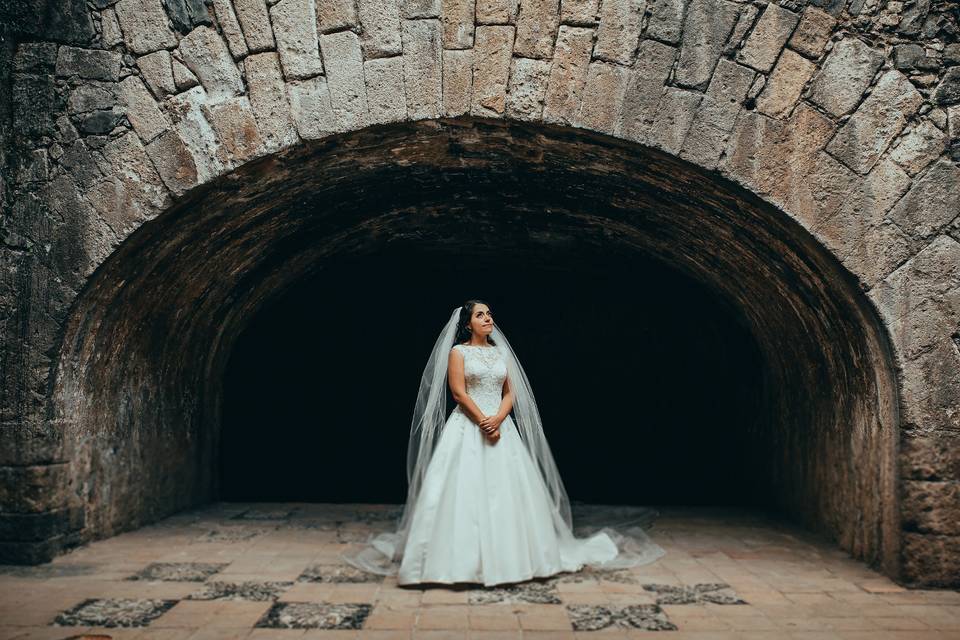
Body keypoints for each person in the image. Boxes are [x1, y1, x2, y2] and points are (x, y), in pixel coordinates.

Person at [340, 300, 666, 586]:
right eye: (481, 315)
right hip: (468, 426)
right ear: (468, 324)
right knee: (462, 494)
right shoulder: (458, 352)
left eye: (489, 314)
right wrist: (483, 419)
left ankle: (516, 560)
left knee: (507, 492)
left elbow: (511, 391)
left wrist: (497, 419)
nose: (488, 319)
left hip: (500, 425)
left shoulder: (500, 352)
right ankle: (454, 564)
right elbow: (457, 392)